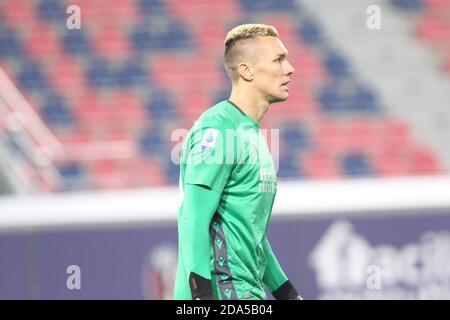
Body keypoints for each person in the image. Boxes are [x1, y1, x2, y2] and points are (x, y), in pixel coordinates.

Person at [173, 23, 301, 300]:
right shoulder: (218, 130)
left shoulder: (252, 135)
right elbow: (193, 217)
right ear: (247, 70)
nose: (289, 68)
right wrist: (200, 296)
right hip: (223, 292)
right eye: (278, 60)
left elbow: (249, 235)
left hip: (246, 291)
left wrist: (286, 293)